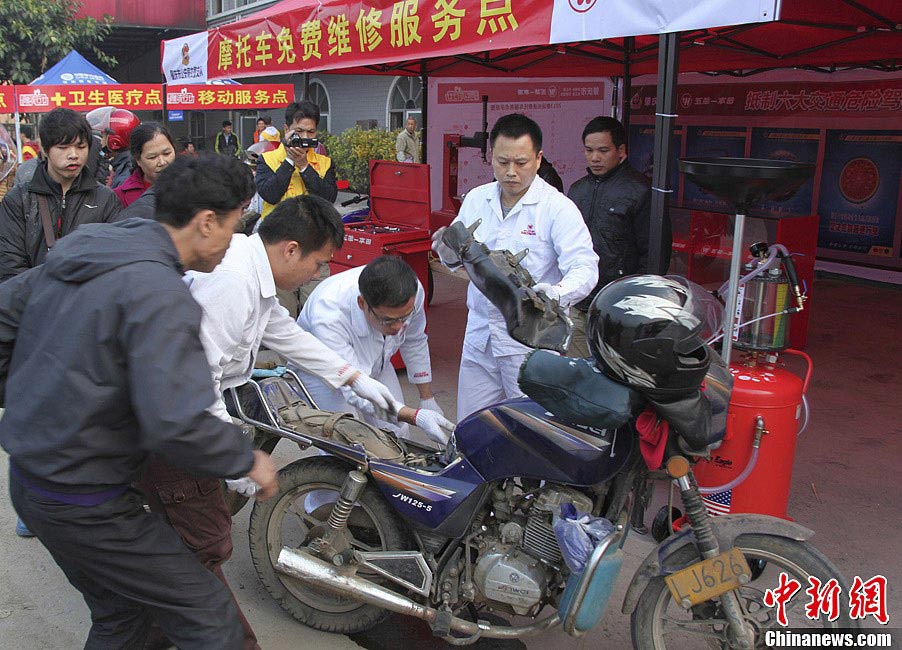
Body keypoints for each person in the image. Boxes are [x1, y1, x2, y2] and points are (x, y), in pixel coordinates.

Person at [0, 152, 278, 649]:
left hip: (32, 478)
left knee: (124, 616)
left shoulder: (92, 246)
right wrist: (245, 459)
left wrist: (35, 394)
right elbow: (175, 421)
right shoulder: (160, 292)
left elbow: (5, 316)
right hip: (86, 499)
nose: (235, 242)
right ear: (207, 222)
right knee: (210, 616)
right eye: (236, 226)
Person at [432, 113, 598, 421]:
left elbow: (585, 267)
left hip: (530, 343)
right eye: (502, 162)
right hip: (480, 336)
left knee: (532, 429)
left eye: (520, 163)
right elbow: (457, 256)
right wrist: (445, 248)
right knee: (473, 424)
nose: (510, 172)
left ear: (538, 159)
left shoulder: (557, 208)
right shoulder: (477, 199)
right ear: (491, 157)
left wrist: (553, 294)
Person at [297, 255, 451, 445]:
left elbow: (415, 339)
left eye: (404, 317)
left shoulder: (412, 290)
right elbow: (353, 388)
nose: (397, 327)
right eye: (388, 320)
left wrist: (426, 398)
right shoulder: (328, 313)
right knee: (343, 437)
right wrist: (415, 416)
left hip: (377, 360)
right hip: (325, 374)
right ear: (362, 303)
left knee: (397, 433)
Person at [565, 116, 668, 358]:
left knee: (614, 379)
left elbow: (654, 254)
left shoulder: (641, 191)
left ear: (621, 151)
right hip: (579, 304)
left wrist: (642, 305)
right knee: (576, 377)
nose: (595, 158)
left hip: (620, 310)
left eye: (603, 150)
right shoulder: (577, 190)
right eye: (589, 151)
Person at [0, 107, 121, 283]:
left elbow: (114, 261)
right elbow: (10, 267)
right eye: (63, 147)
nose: (73, 155)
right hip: (33, 304)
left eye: (81, 147)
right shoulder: (18, 200)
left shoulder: (105, 200)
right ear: (44, 148)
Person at [255, 100, 337, 220]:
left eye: (311, 132)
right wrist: (289, 160)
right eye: (299, 131)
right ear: (287, 129)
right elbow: (270, 195)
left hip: (313, 231)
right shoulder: (267, 159)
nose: (305, 137)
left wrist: (304, 166)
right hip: (277, 232)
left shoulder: (326, 163)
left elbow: (328, 199)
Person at [114, 122, 177, 208]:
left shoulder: (194, 186)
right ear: (138, 160)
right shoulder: (118, 197)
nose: (162, 162)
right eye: (152, 157)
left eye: (167, 153)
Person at [85, 106, 140, 189]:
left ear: (115, 141)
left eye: (103, 137)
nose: (101, 142)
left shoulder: (125, 175)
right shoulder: (125, 166)